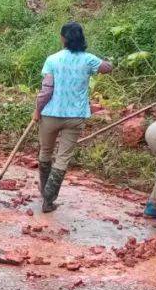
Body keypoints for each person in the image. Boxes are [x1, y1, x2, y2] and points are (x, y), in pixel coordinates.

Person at [32, 21, 113, 212]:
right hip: (75, 116)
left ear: (63, 38)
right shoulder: (89, 59)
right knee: (63, 158)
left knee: (45, 152)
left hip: (50, 114)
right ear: (81, 38)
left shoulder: (52, 59)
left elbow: (46, 90)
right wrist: (108, 62)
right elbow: (107, 68)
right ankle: (48, 200)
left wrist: (37, 110)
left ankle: (45, 192)